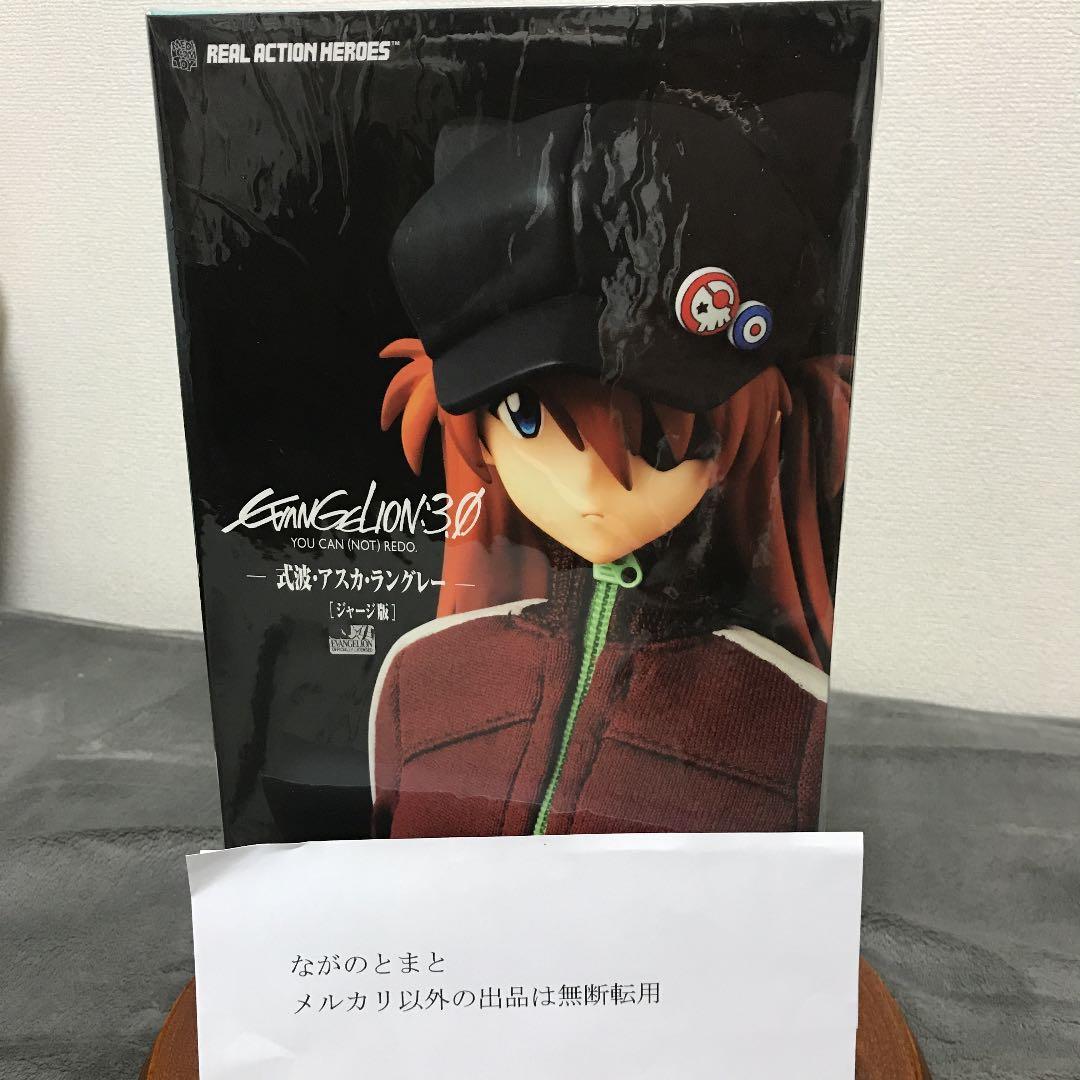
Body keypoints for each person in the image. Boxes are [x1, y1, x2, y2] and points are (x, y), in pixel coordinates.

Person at [370, 97, 853, 839]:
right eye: (525, 419)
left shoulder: (793, 719)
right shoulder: (422, 677)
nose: (589, 485)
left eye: (658, 438)